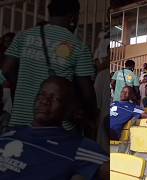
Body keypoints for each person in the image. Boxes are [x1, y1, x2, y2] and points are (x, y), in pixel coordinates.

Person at [1, 0, 97, 138]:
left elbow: (6, 70)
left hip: (20, 120)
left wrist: (26, 88)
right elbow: (87, 93)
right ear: (72, 17)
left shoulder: (23, 36)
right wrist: (91, 116)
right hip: (57, 126)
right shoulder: (79, 47)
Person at [0, 76, 108, 180]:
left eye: (55, 98)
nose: (45, 101)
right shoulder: (11, 133)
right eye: (42, 95)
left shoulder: (75, 145)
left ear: (67, 110)